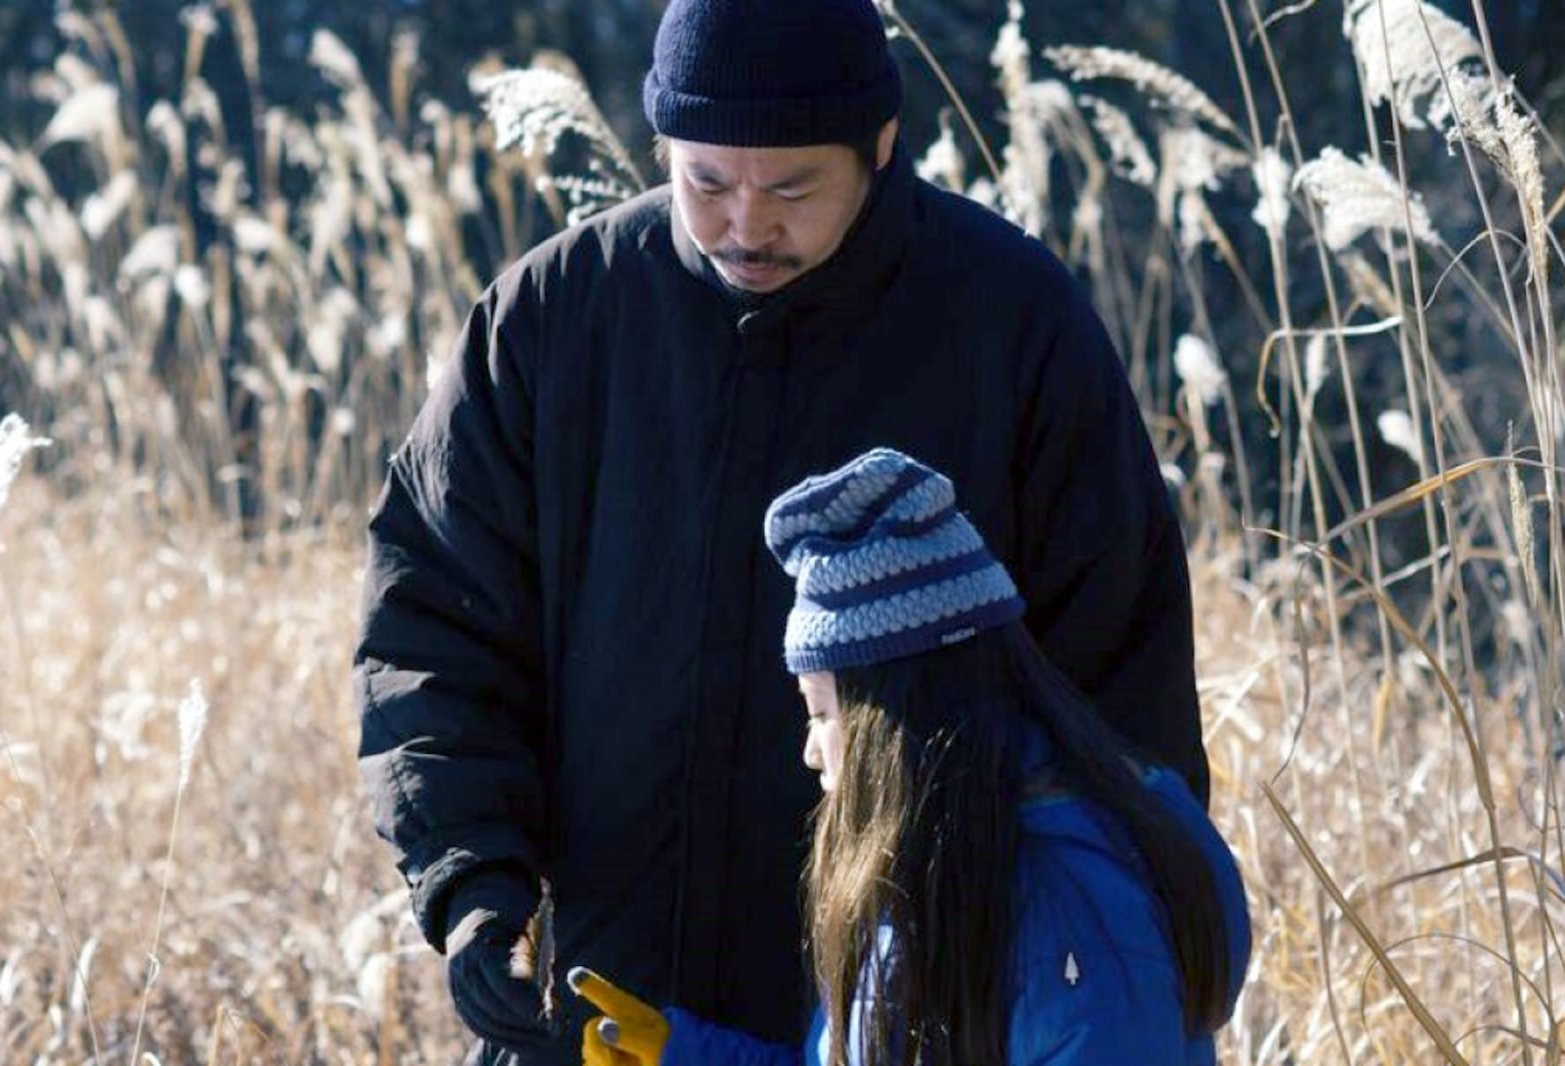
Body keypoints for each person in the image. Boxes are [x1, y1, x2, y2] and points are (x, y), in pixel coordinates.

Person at [353, 0, 1209, 1062]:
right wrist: (473, 881)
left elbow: (1115, 698)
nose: (746, 225)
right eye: (705, 183)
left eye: (793, 187)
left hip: (908, 1006)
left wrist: (1089, 957)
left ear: (881, 147)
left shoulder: (1012, 323)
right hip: (601, 1014)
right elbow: (433, 629)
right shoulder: (554, 319)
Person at [570, 449, 1251, 1066]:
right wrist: (684, 1060)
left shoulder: (1075, 921)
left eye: (823, 711)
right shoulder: (939, 876)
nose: (811, 749)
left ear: (892, 721)